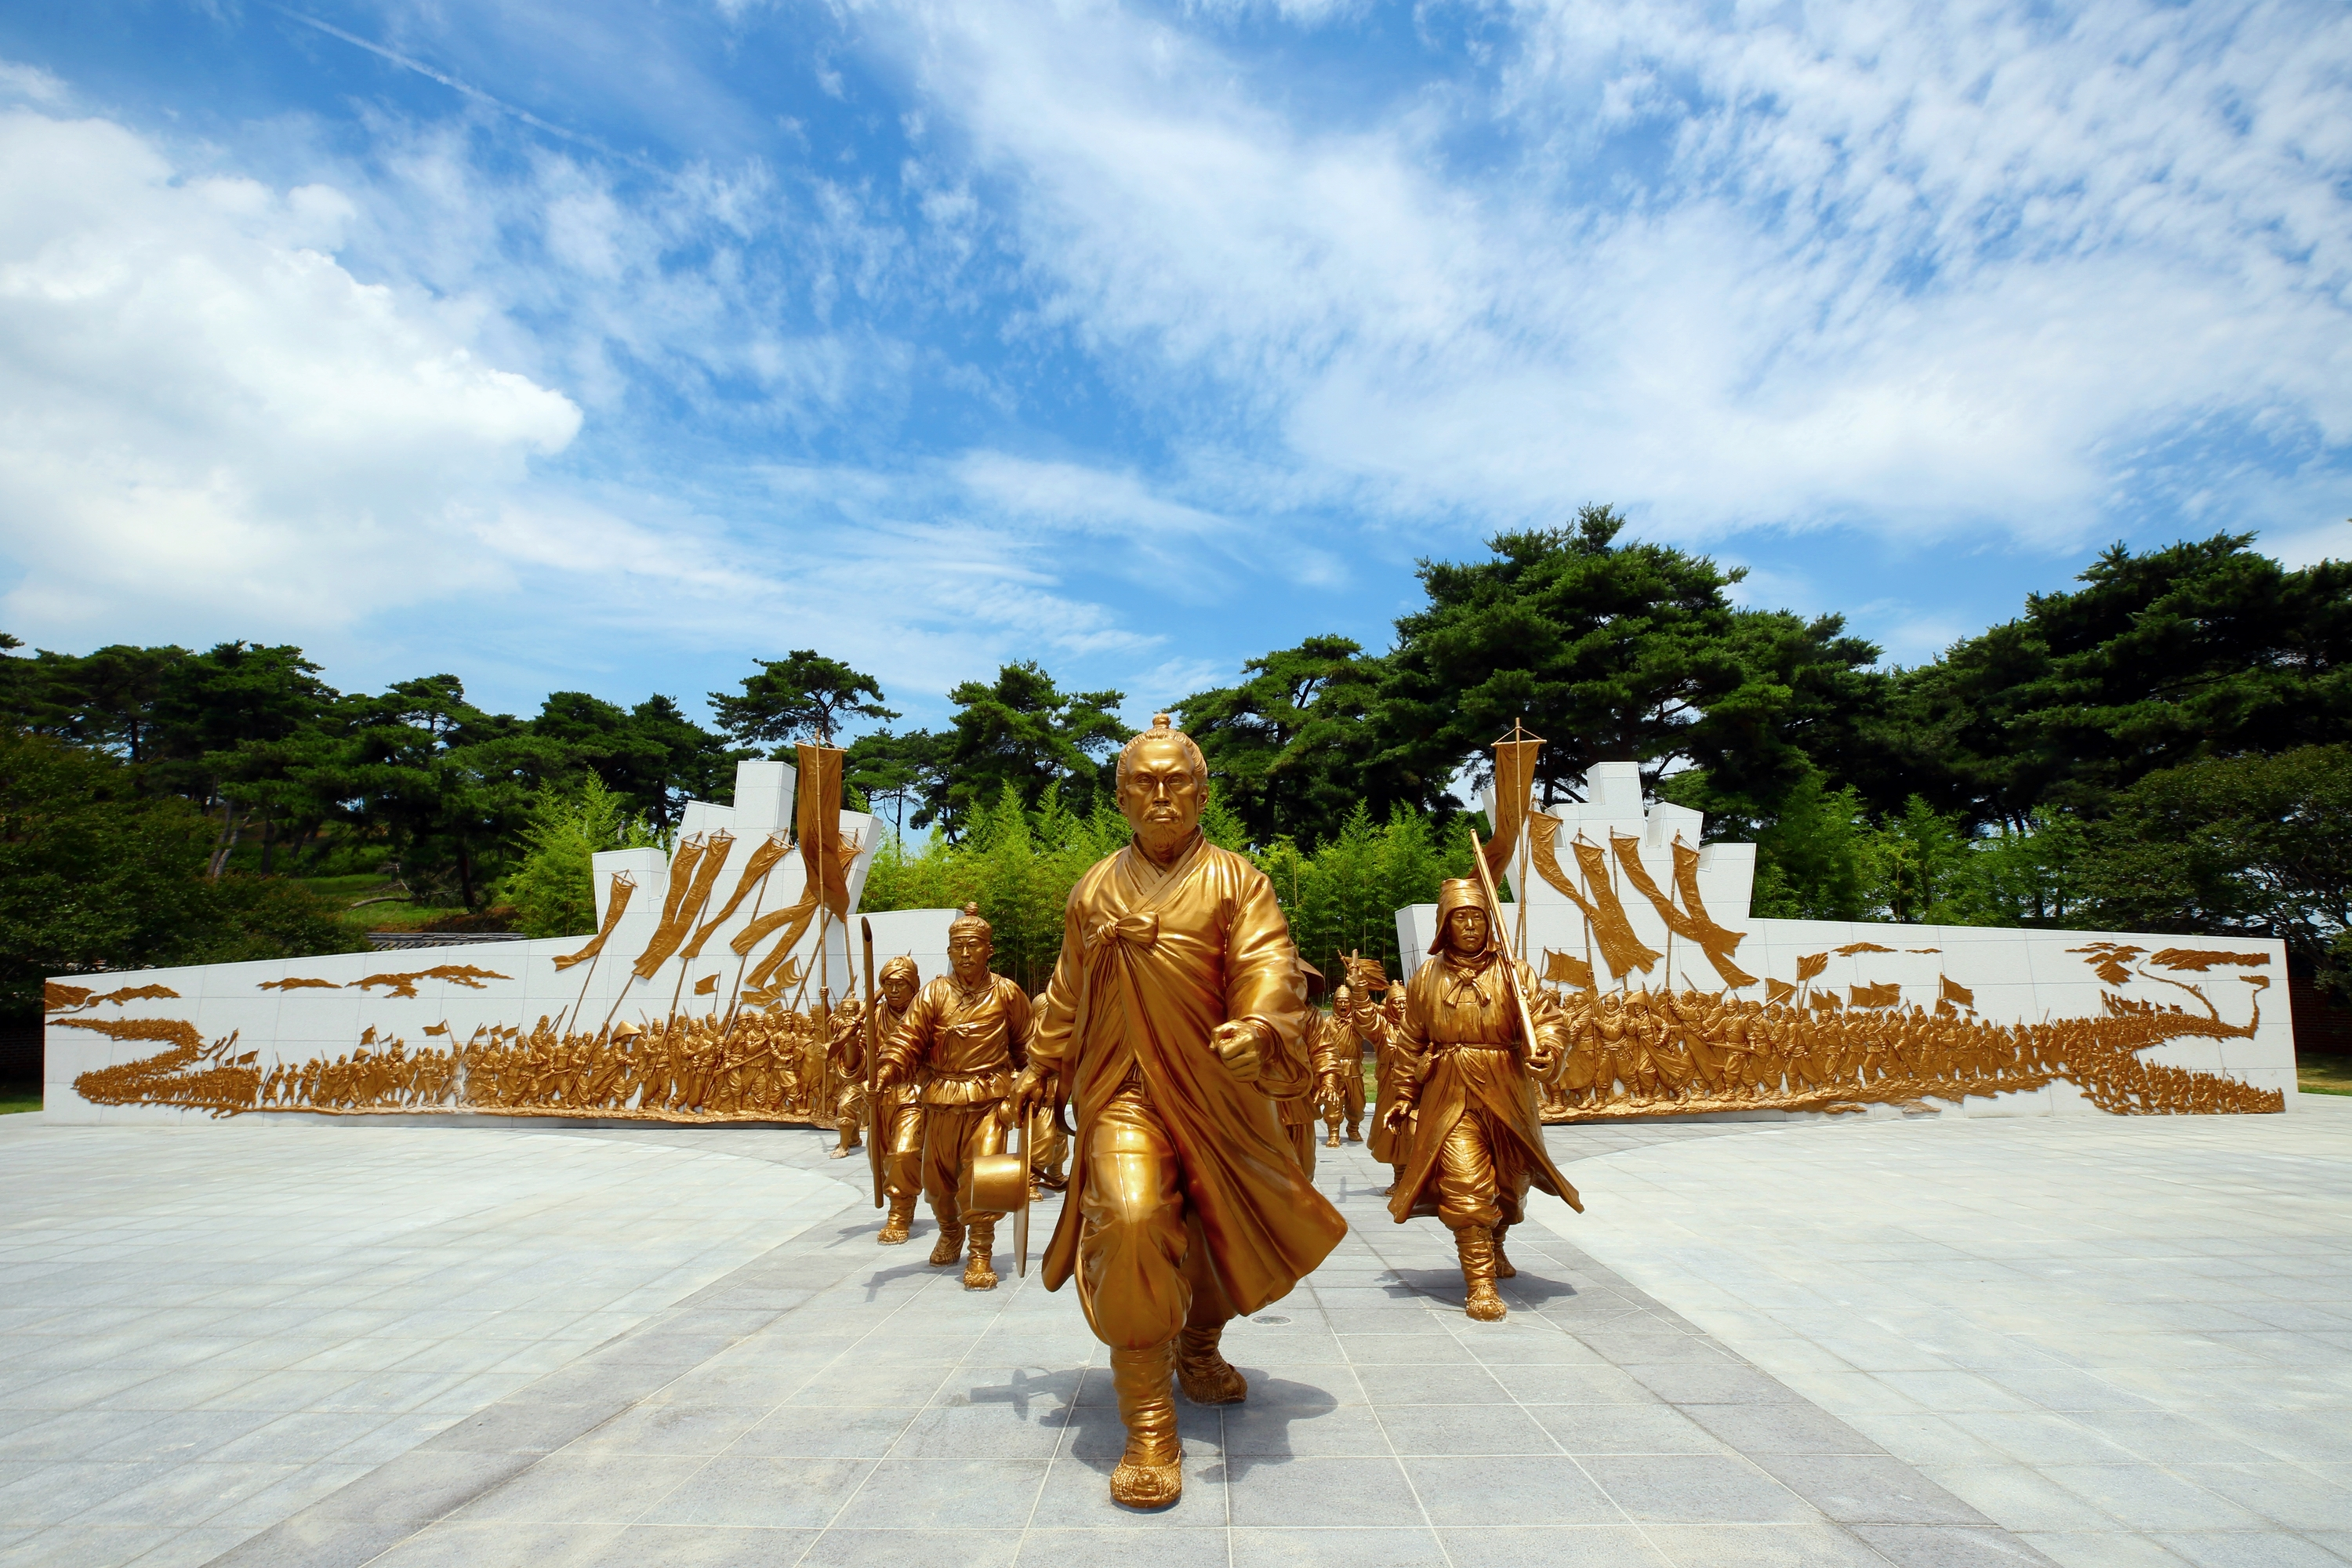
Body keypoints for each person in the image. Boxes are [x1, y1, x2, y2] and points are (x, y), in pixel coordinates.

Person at [1013, 715, 1347, 1508]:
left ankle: (1198, 1342)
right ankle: (1150, 1421)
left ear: (1202, 791)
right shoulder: (1094, 886)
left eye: (1175, 781)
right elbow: (1065, 986)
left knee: (1221, 1230)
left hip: (1217, 1093)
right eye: (1142, 782)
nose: (1160, 795)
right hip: (1121, 1091)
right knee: (1129, 1219)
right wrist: (1041, 1062)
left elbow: (1270, 965)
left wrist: (1260, 1027)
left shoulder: (1239, 880)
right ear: (1121, 795)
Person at [1368, 877, 1581, 1323]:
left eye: (1477, 916)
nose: (1469, 925)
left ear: (1490, 922)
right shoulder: (1428, 975)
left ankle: (1497, 1240)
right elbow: (1410, 1040)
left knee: (1511, 1180)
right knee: (1465, 1182)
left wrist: (1549, 1049)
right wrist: (1405, 1094)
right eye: (1459, 917)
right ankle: (1479, 1281)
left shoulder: (1516, 973)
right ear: (1444, 925)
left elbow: (1549, 1022)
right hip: (1449, 1088)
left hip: (1506, 1087)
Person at [875, 907, 1031, 1289]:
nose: (965, 954)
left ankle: (980, 1253)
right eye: (958, 947)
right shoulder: (932, 993)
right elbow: (907, 1040)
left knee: (984, 1174)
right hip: (942, 1097)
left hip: (989, 1098)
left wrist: (1035, 1081)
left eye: (973, 946)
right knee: (939, 1183)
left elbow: (1027, 1044)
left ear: (988, 950)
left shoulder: (1007, 992)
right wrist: (884, 1072)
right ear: (949, 950)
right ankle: (949, 1230)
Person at [869, 957, 925, 1243]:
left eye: (899, 984)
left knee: (903, 1153)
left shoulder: (924, 1013)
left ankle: (899, 1213)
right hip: (879, 1097)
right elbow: (854, 1066)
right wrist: (852, 1042)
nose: (893, 990)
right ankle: (904, 1202)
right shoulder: (873, 1016)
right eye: (888, 984)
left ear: (913, 986)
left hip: (913, 1093)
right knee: (880, 1160)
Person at [1319, 985, 1369, 1147]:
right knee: (1333, 1101)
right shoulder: (1326, 1023)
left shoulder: (1357, 1023)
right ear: (1334, 1004)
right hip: (1334, 1066)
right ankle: (1333, 1133)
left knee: (1357, 1103)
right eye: (1339, 1001)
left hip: (1353, 1067)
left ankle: (1353, 1128)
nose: (1343, 1005)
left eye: (1346, 1001)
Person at [826, 997, 866, 1159]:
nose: (848, 1014)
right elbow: (828, 1018)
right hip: (842, 1078)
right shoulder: (841, 1026)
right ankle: (853, 1138)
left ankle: (843, 1146)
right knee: (849, 1106)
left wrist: (852, 1044)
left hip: (858, 1078)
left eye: (852, 1011)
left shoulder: (862, 1032)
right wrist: (824, 1000)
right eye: (845, 1011)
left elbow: (852, 1064)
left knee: (845, 1106)